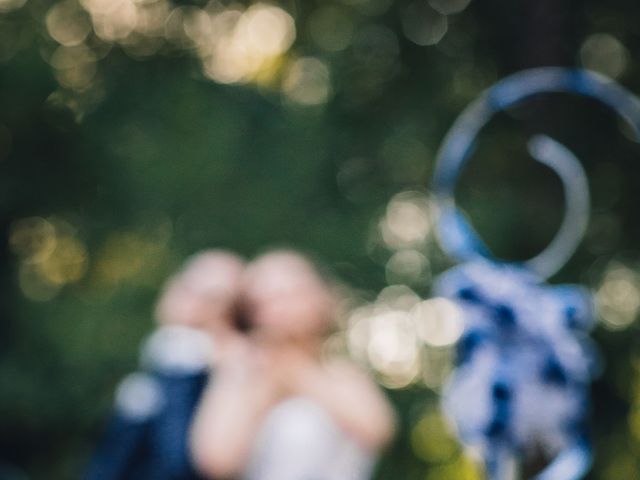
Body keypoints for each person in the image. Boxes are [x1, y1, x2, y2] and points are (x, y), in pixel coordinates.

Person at [190, 250, 396, 480]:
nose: (282, 309)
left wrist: (298, 374)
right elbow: (216, 462)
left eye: (291, 294)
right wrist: (258, 386)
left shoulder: (342, 372)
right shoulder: (240, 374)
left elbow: (378, 431)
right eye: (265, 300)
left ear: (322, 297)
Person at [86, 250, 245, 480]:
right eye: (189, 286)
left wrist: (184, 369)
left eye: (213, 297)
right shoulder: (163, 356)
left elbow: (179, 463)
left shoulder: (203, 369)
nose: (193, 300)